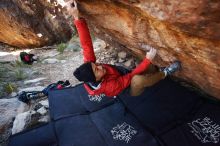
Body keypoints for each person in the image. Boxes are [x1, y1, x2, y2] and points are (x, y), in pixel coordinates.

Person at [66, 0, 181, 97]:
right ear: (95, 79)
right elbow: (130, 76)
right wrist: (147, 59)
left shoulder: (89, 67)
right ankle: (164, 73)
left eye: (96, 65)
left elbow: (86, 44)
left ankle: (153, 74)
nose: (100, 66)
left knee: (149, 66)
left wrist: (76, 17)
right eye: (97, 70)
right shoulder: (109, 87)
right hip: (127, 92)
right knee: (138, 80)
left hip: (120, 75)